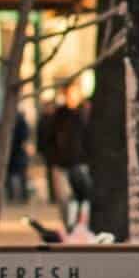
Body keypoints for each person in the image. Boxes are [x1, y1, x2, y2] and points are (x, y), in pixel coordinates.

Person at [40, 82, 91, 229]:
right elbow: (48, 139)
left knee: (82, 196)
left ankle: (80, 225)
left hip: (79, 162)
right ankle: (70, 225)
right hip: (61, 163)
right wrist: (52, 157)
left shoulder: (84, 113)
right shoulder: (58, 115)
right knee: (64, 198)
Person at [4, 110, 32, 202]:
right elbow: (25, 137)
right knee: (22, 175)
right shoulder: (21, 122)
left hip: (9, 152)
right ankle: (23, 196)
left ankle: (12, 196)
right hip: (18, 152)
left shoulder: (4, 121)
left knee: (11, 175)